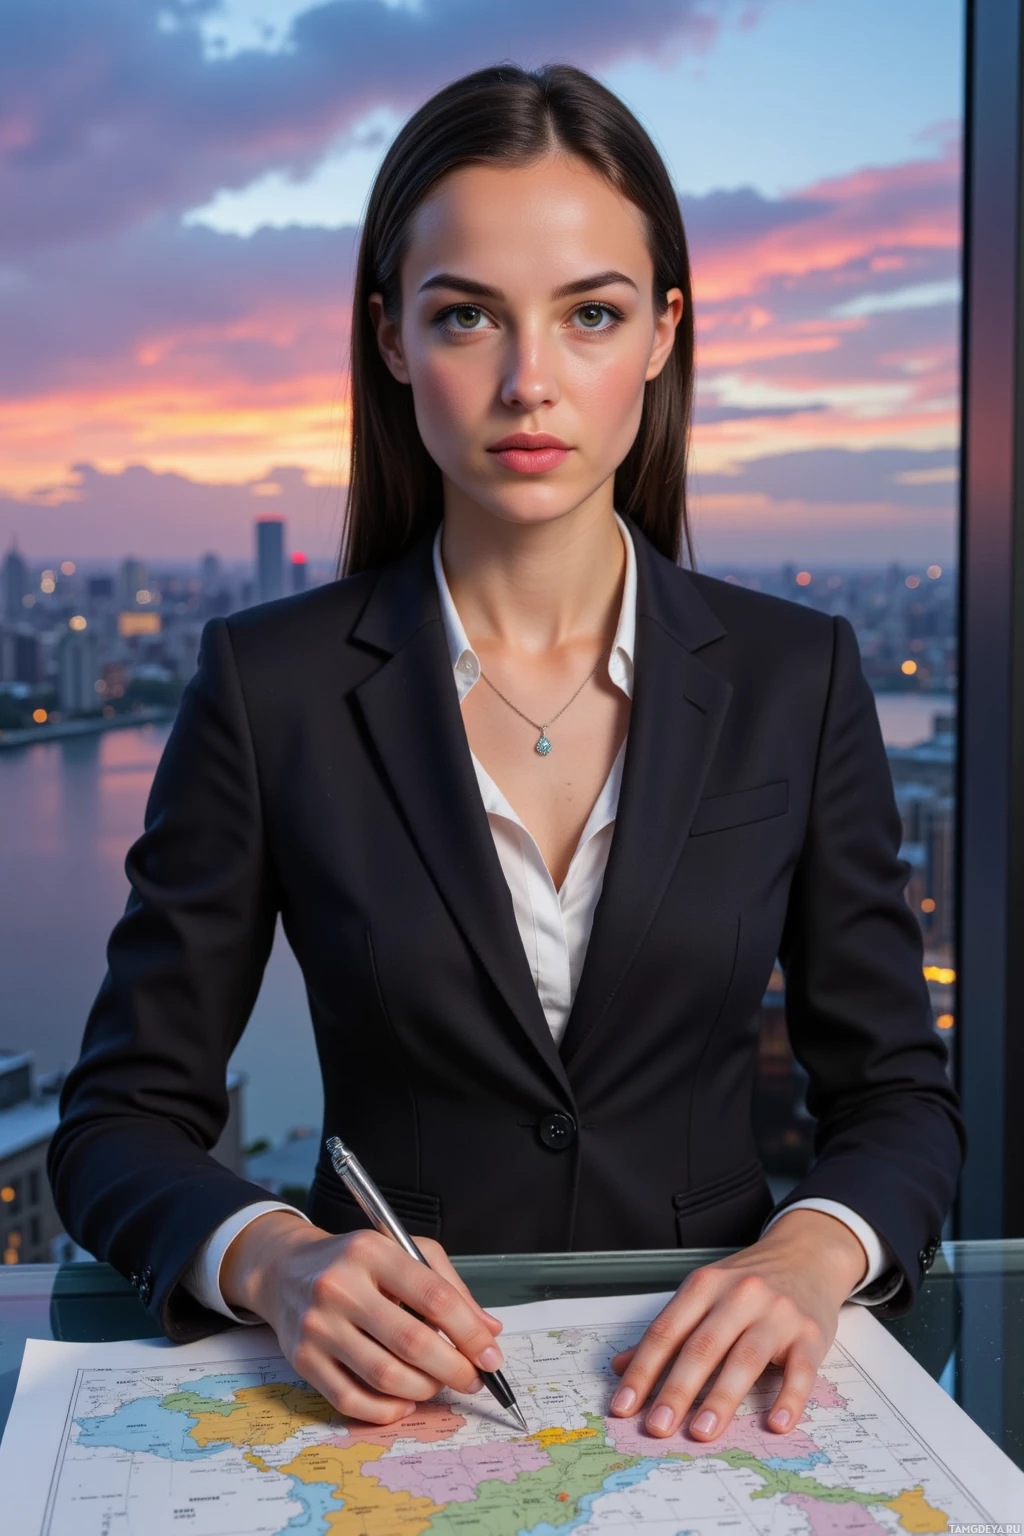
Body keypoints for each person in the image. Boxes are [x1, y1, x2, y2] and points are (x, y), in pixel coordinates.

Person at [48, 62, 965, 1448]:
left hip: (710, 1400)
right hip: (381, 1407)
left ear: (662, 336)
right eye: (468, 314)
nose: (531, 382)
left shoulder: (798, 674)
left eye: (590, 313)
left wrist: (813, 1252)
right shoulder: (269, 685)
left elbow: (900, 1098)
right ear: (394, 341)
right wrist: (271, 1260)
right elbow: (118, 1120)